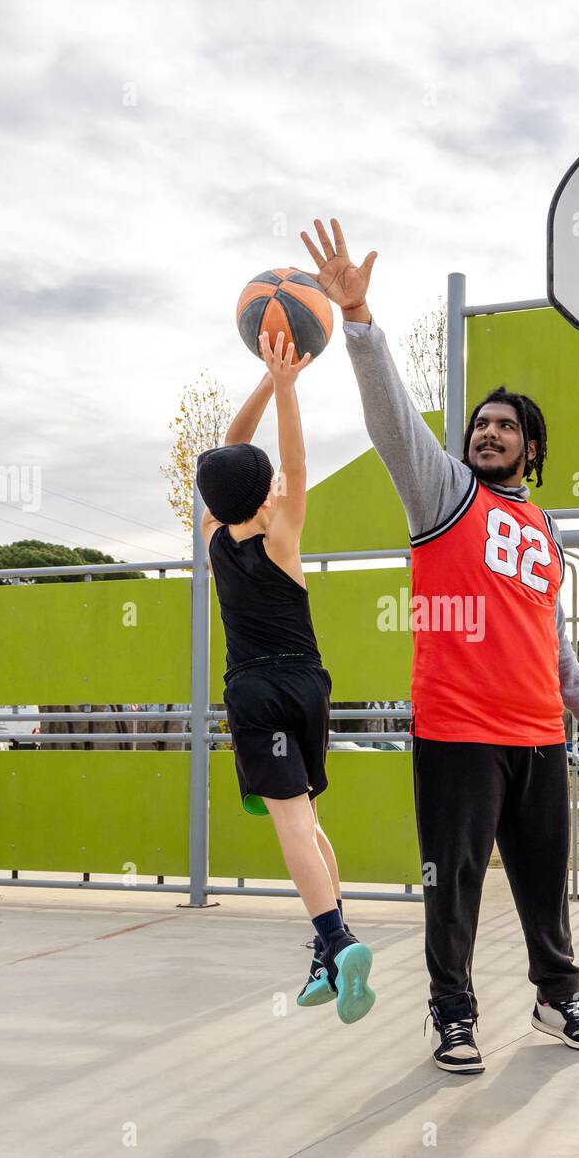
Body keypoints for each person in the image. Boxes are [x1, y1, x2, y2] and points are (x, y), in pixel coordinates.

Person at [299, 218, 579, 1072]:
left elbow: (549, 630)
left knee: (546, 883)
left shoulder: (545, 527)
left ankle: (558, 995)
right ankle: (454, 1015)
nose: (487, 432)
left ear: (531, 449)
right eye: (479, 423)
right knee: (457, 886)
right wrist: (360, 320)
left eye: (504, 426)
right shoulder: (441, 493)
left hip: (537, 733)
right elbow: (394, 420)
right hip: (458, 729)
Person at [195, 330, 375, 1025]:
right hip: (309, 685)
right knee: (311, 823)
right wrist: (285, 384)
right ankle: (323, 955)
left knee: (291, 830)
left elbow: (227, 458)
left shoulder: (215, 535)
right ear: (266, 490)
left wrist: (272, 383)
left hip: (256, 693)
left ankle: (337, 938)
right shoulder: (283, 534)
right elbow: (292, 466)